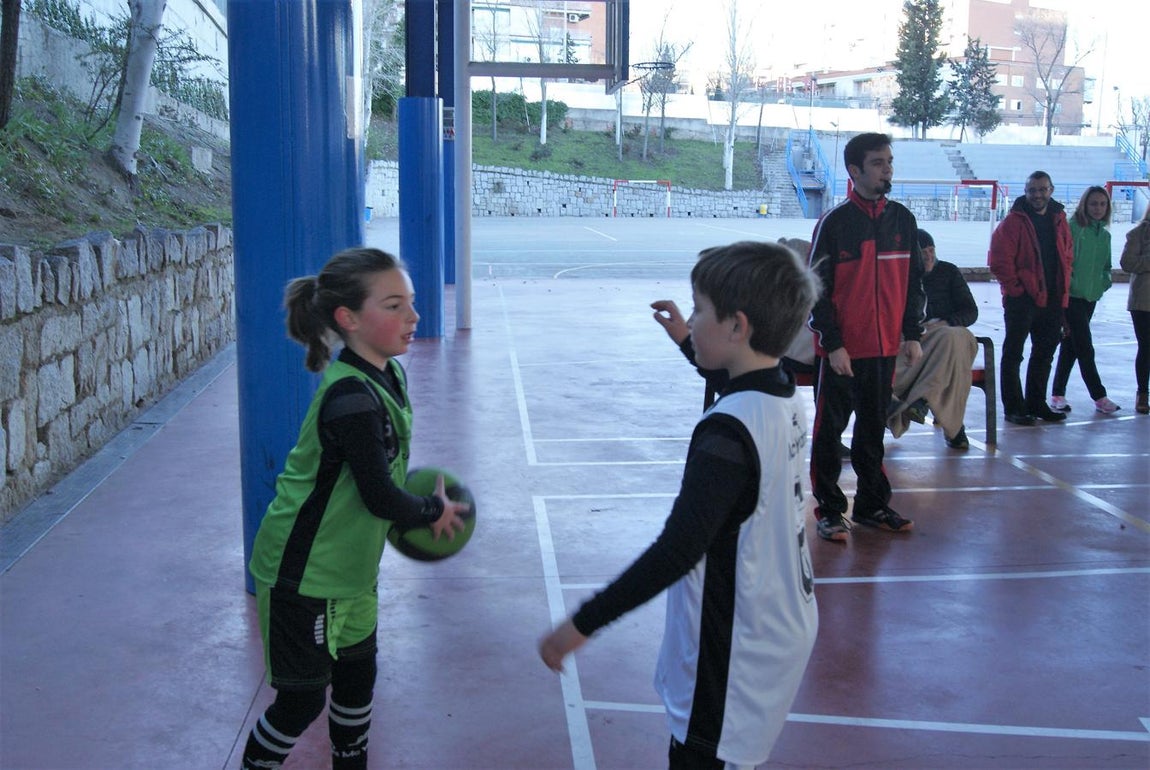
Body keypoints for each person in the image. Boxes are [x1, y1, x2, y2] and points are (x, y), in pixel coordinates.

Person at [540, 242, 821, 770]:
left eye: (699, 310)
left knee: (702, 756)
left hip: (734, 646)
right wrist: (686, 341)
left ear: (737, 327)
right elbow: (735, 379)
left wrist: (582, 623)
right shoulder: (783, 391)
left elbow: (677, 550)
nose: (691, 319)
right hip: (778, 623)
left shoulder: (727, 435)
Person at [241, 247, 468, 770]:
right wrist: (434, 510)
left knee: (357, 680)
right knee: (301, 702)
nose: (414, 316)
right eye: (394, 306)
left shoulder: (387, 374)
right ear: (349, 319)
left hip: (352, 573)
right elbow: (380, 496)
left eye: (410, 303)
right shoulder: (350, 399)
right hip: (303, 577)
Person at [806, 132, 925, 542]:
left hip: (885, 349)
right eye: (878, 163)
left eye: (889, 161)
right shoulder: (835, 224)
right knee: (829, 432)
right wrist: (833, 343)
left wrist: (911, 333)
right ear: (854, 171)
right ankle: (830, 510)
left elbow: (913, 284)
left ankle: (873, 505)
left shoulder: (903, 221)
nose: (887, 169)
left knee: (872, 430)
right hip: (843, 353)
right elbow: (813, 289)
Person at [988, 170, 1074, 426]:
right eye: (1032, 190)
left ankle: (1036, 403)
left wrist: (1063, 293)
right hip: (1022, 301)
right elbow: (999, 260)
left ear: (1051, 190)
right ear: (1026, 192)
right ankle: (1014, 407)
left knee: (1044, 355)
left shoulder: (1060, 219)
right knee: (1013, 354)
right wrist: (1016, 290)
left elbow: (1067, 256)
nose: (1037, 194)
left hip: (1053, 299)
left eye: (1042, 189)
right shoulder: (1013, 222)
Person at [887, 229, 979, 450]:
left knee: (955, 337)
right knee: (951, 355)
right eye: (923, 252)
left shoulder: (948, 272)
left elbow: (970, 311)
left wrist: (946, 322)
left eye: (931, 251)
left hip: (944, 331)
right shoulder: (900, 276)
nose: (928, 257)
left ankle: (920, 400)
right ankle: (950, 424)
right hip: (913, 340)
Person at [1050, 186, 1120, 414]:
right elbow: (1063, 263)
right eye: (1093, 204)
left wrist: (1103, 283)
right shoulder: (1073, 229)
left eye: (1102, 204)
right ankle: (1099, 395)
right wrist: (1068, 289)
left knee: (1071, 346)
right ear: (1084, 205)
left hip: (1090, 297)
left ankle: (1057, 394)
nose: (1098, 208)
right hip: (1071, 298)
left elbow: (1106, 266)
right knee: (1085, 347)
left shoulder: (1105, 235)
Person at [1121, 206, 1150, 415]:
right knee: (1146, 347)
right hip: (1143, 302)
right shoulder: (1137, 233)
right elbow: (1127, 263)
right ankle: (1142, 393)